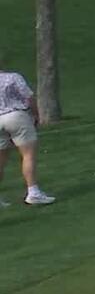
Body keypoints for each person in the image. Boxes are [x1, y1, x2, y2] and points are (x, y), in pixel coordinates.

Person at [0, 61, 55, 205]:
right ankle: (33, 191)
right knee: (28, 154)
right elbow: (28, 97)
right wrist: (37, 115)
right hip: (16, 116)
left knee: (0, 160)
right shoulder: (12, 77)